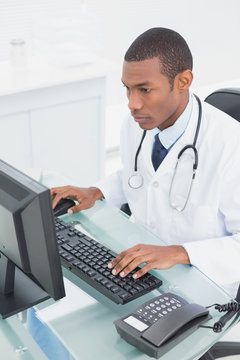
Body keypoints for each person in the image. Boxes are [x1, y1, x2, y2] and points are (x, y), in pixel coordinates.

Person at [51, 27, 240, 293]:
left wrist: (180, 253)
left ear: (183, 81)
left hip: (204, 290)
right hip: (142, 273)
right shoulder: (137, 125)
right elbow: (139, 174)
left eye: (144, 90)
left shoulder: (231, 146)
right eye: (127, 89)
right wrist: (97, 191)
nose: (132, 103)